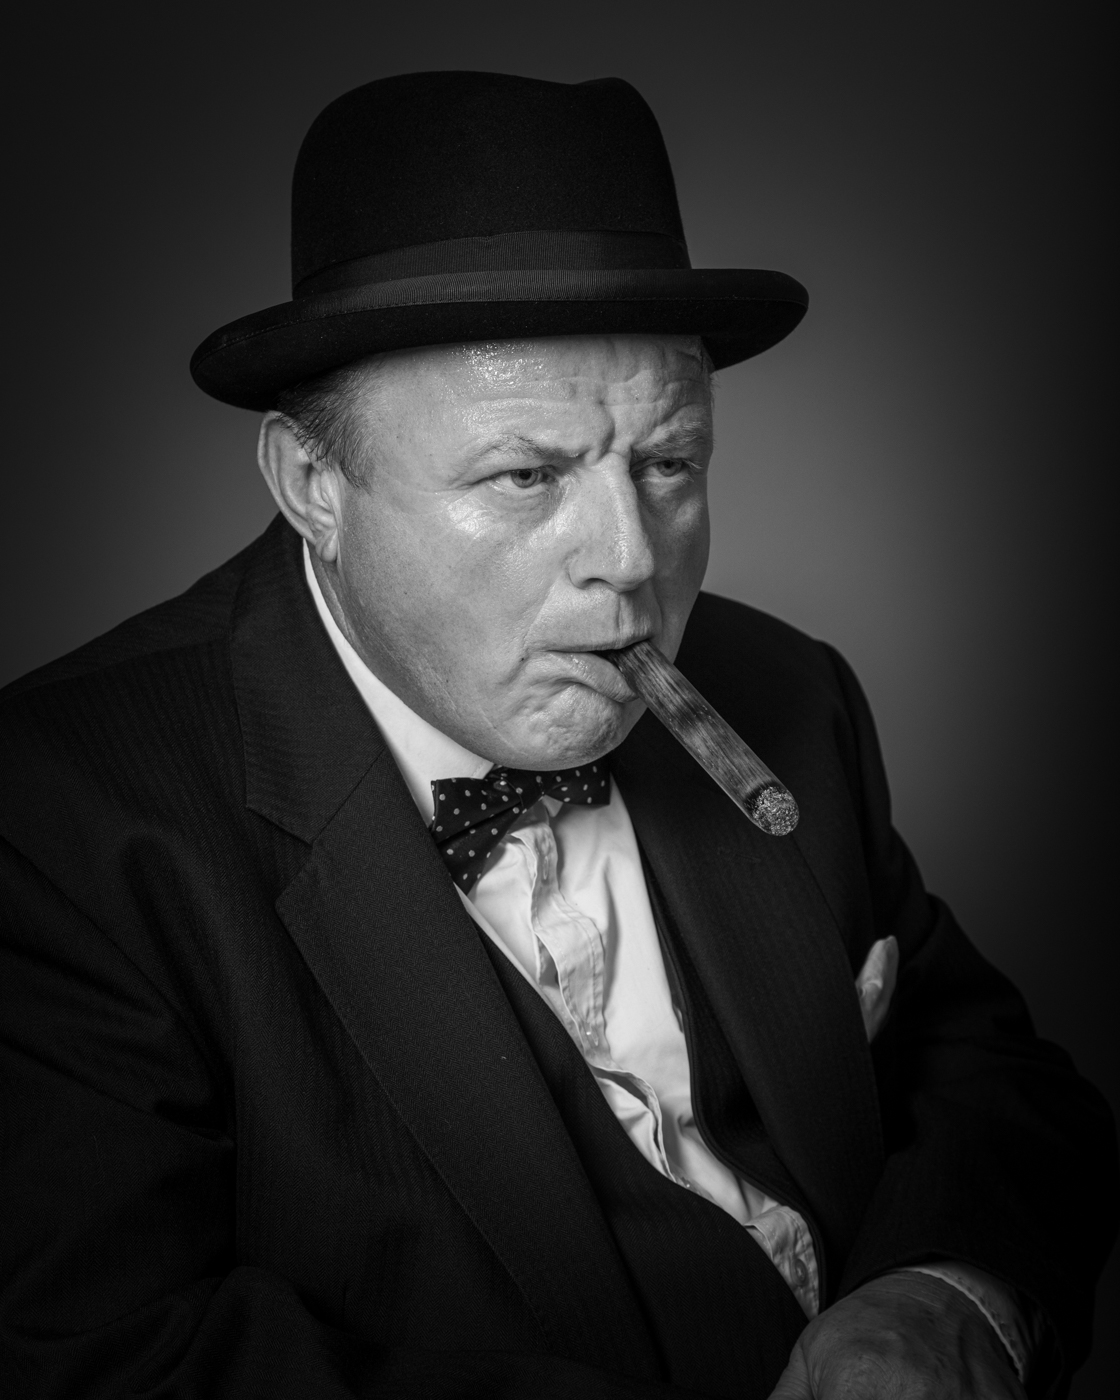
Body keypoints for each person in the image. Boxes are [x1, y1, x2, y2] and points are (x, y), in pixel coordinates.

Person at [0, 70, 1114, 1400]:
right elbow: (111, 1358)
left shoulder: (789, 693)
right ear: (313, 485)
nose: (631, 559)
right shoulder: (60, 819)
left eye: (669, 462)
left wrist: (946, 1293)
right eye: (526, 476)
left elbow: (984, 1069)